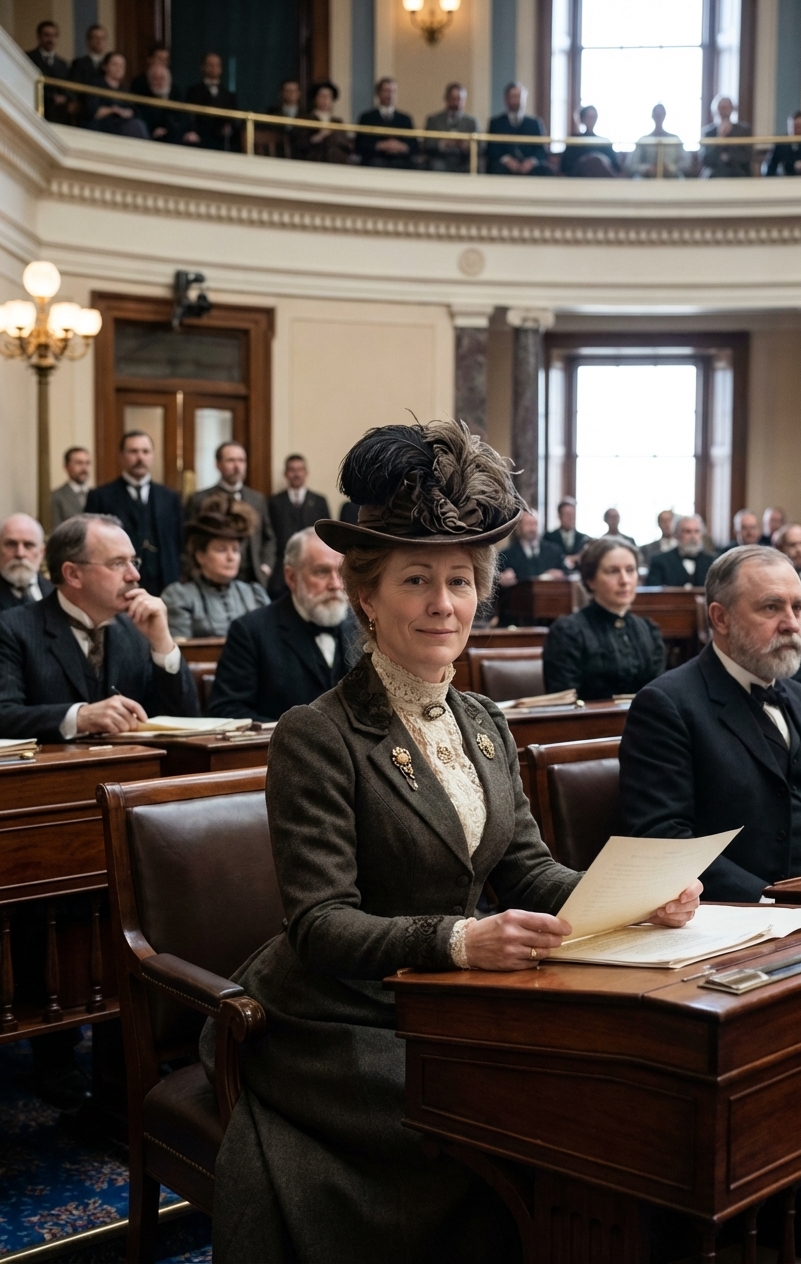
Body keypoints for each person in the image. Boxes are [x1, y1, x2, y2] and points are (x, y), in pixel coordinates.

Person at [201, 417, 699, 1264]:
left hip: (461, 999)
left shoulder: (483, 721)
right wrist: (461, 941)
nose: (444, 604)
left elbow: (525, 867)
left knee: (626, 1093)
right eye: (416, 581)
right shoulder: (314, 734)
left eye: (461, 581)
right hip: (344, 1018)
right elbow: (320, 925)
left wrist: (630, 897)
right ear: (366, 595)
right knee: (531, 1121)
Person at [620, 545, 801, 902]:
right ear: (721, 618)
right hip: (748, 914)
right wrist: (769, 901)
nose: (791, 623)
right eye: (771, 607)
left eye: (797, 607)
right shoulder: (667, 704)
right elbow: (663, 835)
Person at [0, 513, 197, 742]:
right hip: (49, 774)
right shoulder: (12, 629)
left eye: (133, 562)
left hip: (134, 772)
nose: (134, 575)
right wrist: (78, 717)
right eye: (118, 563)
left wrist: (163, 643)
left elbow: (186, 720)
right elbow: (4, 716)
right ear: (73, 574)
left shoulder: (137, 630)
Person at [209, 528, 357, 721]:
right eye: (322, 572)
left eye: (341, 573)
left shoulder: (361, 626)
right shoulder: (250, 631)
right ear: (291, 577)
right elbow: (228, 711)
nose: (336, 584)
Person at [543, 538, 664, 699]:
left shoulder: (649, 630)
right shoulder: (568, 632)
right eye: (613, 571)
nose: (624, 581)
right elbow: (563, 702)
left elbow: (660, 696)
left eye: (630, 570)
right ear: (591, 580)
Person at [85, 430, 183, 596]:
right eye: (133, 451)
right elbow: (91, 543)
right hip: (117, 585)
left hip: (164, 585)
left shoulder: (169, 497)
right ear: (121, 456)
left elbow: (179, 541)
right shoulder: (100, 497)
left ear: (152, 456)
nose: (140, 458)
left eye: (145, 452)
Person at [162, 493, 270, 639]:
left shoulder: (254, 595)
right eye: (221, 550)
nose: (231, 557)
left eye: (235, 550)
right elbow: (181, 653)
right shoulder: (180, 597)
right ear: (200, 556)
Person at [186, 441, 275, 588]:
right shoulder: (200, 499)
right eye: (231, 460)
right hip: (212, 580)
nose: (237, 466)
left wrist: (265, 567)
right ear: (218, 465)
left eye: (241, 460)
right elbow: (191, 541)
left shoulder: (257, 499)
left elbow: (269, 538)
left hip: (253, 578)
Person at [267, 454, 331, 597]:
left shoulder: (319, 501)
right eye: (292, 470)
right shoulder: (274, 502)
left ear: (306, 472)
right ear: (286, 474)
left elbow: (327, 534)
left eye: (300, 469)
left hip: (313, 564)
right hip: (281, 569)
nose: (296, 474)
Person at [83, 52, 150, 139]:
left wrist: (128, 112)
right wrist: (113, 110)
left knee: (138, 124)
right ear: (105, 66)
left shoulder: (125, 90)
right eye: (115, 65)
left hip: (123, 125)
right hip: (102, 125)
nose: (119, 69)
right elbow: (92, 111)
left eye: (122, 66)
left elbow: (134, 111)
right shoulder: (96, 84)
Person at [487, 82, 550, 176]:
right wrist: (507, 160)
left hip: (529, 166)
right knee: (496, 169)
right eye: (514, 96)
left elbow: (541, 149)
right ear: (506, 99)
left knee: (545, 171)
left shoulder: (535, 123)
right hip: (505, 166)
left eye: (520, 96)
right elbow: (492, 148)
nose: (517, 100)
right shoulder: (496, 123)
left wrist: (531, 162)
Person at [357, 77, 417, 168]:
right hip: (375, 160)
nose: (390, 95)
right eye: (386, 91)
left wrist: (401, 146)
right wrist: (380, 145)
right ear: (378, 93)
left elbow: (414, 146)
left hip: (400, 161)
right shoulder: (367, 117)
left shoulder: (405, 118)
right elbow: (360, 144)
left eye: (393, 91)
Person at [136, 61, 200, 145]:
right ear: (149, 82)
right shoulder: (144, 101)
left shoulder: (178, 97)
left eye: (162, 78)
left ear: (169, 80)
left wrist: (192, 132)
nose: (159, 82)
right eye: (155, 79)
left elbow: (187, 120)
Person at [0, 514, 53, 611]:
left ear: (41, 552)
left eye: (29, 545)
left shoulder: (56, 592)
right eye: (11, 544)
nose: (20, 554)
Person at [186, 53, 237, 150]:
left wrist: (228, 128)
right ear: (202, 67)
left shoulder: (228, 95)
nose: (213, 68)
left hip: (221, 143)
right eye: (210, 65)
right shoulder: (193, 91)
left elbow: (232, 120)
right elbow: (189, 116)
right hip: (199, 141)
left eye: (216, 65)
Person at [646, 515, 715, 588]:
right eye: (687, 532)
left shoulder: (712, 561)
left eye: (697, 531)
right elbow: (652, 594)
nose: (693, 536)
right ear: (676, 534)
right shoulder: (660, 561)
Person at [497, 511, 565, 586]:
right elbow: (497, 581)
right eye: (528, 524)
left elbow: (567, 573)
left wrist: (560, 574)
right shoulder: (506, 555)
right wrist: (503, 579)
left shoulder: (554, 551)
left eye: (535, 523)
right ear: (519, 527)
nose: (533, 528)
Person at [424, 82, 479, 173]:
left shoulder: (471, 122)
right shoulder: (433, 120)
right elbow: (427, 145)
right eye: (454, 98)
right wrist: (443, 144)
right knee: (436, 166)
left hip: (463, 161)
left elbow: (480, 147)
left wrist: (465, 146)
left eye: (460, 99)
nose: (457, 102)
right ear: (446, 99)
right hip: (440, 159)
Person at [292, 81, 352, 164]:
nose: (325, 100)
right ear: (315, 98)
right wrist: (319, 136)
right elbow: (299, 143)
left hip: (337, 161)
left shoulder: (337, 121)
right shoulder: (306, 118)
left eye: (328, 97)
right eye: (322, 96)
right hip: (314, 160)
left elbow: (346, 144)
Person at [27, 20, 70, 124]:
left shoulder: (62, 63)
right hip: (37, 110)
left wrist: (65, 97)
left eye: (54, 36)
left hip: (59, 115)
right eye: (47, 35)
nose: (51, 39)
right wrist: (51, 97)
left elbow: (67, 86)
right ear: (39, 37)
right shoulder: (29, 58)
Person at [559, 104, 621, 177]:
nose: (591, 120)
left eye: (594, 117)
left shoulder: (604, 141)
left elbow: (614, 166)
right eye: (588, 117)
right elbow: (566, 166)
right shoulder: (574, 140)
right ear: (582, 119)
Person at [627, 104, 685, 178]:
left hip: (672, 179)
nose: (659, 117)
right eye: (657, 115)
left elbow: (685, 163)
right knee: (637, 179)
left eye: (661, 115)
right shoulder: (643, 140)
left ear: (665, 116)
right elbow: (632, 164)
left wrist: (670, 168)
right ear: (652, 116)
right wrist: (648, 169)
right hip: (646, 179)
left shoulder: (675, 139)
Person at [700, 96, 752, 178]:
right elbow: (707, 159)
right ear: (715, 110)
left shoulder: (743, 130)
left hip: (738, 171)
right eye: (721, 107)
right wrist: (720, 137)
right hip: (715, 172)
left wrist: (728, 157)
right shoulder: (708, 132)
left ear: (732, 109)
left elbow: (747, 156)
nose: (724, 110)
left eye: (726, 107)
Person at [51, 446, 93, 529]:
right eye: (79, 463)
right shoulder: (56, 496)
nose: (84, 468)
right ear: (67, 467)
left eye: (87, 463)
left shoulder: (97, 495)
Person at [543, 497, 589, 570]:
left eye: (573, 514)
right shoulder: (549, 537)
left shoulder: (584, 538)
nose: (571, 518)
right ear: (559, 516)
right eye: (567, 514)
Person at [268, 79, 301, 159]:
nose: (291, 94)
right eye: (288, 91)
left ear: (299, 93)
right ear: (282, 93)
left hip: (299, 157)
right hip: (277, 156)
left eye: (293, 91)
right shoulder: (273, 113)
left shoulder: (306, 115)